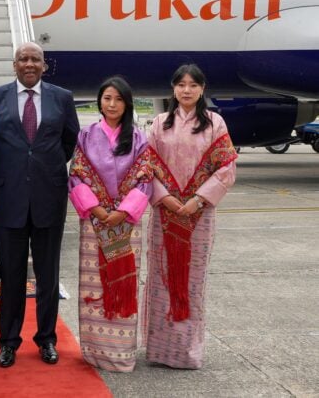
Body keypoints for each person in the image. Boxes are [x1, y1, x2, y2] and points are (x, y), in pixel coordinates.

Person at [0, 42, 79, 367]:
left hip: (49, 197)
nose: (30, 63)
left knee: (48, 276)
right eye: (24, 58)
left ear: (44, 65)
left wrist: (42, 168)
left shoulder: (62, 97)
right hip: (9, 200)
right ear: (14, 64)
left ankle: (47, 340)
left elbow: (70, 140)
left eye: (36, 59)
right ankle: (8, 342)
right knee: (11, 276)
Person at [143, 63, 237, 369]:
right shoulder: (158, 124)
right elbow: (145, 166)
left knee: (192, 282)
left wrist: (197, 200)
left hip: (199, 215)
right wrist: (166, 198)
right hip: (164, 214)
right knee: (161, 277)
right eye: (181, 84)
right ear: (173, 88)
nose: (186, 90)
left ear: (202, 89)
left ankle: (186, 352)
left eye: (193, 85)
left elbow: (226, 168)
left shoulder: (215, 123)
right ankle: (158, 351)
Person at [67, 76, 153, 372]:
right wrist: (97, 209)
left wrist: (124, 211)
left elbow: (145, 177)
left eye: (118, 99)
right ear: (99, 101)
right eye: (107, 98)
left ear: (127, 103)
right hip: (94, 221)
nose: (112, 104)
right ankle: (95, 351)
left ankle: (121, 353)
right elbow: (76, 174)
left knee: (124, 280)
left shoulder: (139, 138)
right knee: (96, 283)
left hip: (127, 225)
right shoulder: (86, 135)